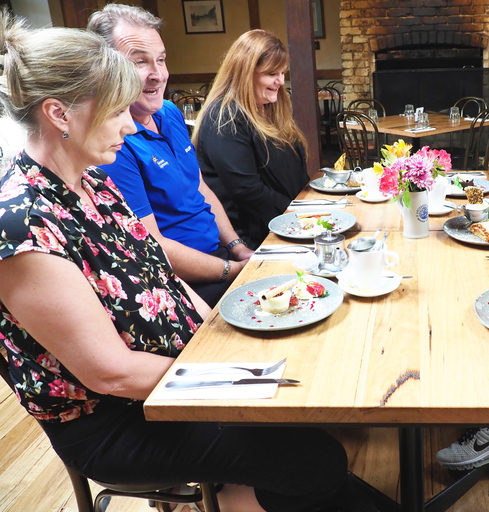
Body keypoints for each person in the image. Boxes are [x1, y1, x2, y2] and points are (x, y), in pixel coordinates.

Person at [0, 13, 377, 512]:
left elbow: (163, 279)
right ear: (59, 114)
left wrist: (225, 338)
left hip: (177, 370)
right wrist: (237, 376)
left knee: (306, 433)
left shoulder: (92, 182)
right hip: (120, 420)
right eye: (116, 111)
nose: (131, 124)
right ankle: (242, 494)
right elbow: (109, 374)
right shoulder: (22, 225)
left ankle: (245, 494)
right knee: (315, 457)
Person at [87, 4, 254, 308]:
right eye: (140, 62)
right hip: (182, 283)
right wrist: (232, 272)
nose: (158, 75)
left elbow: (200, 188)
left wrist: (238, 247)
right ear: (105, 70)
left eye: (161, 60)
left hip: (221, 257)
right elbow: (153, 245)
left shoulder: (170, 113)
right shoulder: (114, 144)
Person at [193, 30, 309, 248]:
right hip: (253, 238)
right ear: (245, 73)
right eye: (272, 73)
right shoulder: (224, 117)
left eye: (283, 73)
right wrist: (300, 215)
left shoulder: (270, 108)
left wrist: (309, 206)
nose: (280, 81)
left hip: (286, 223)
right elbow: (247, 190)